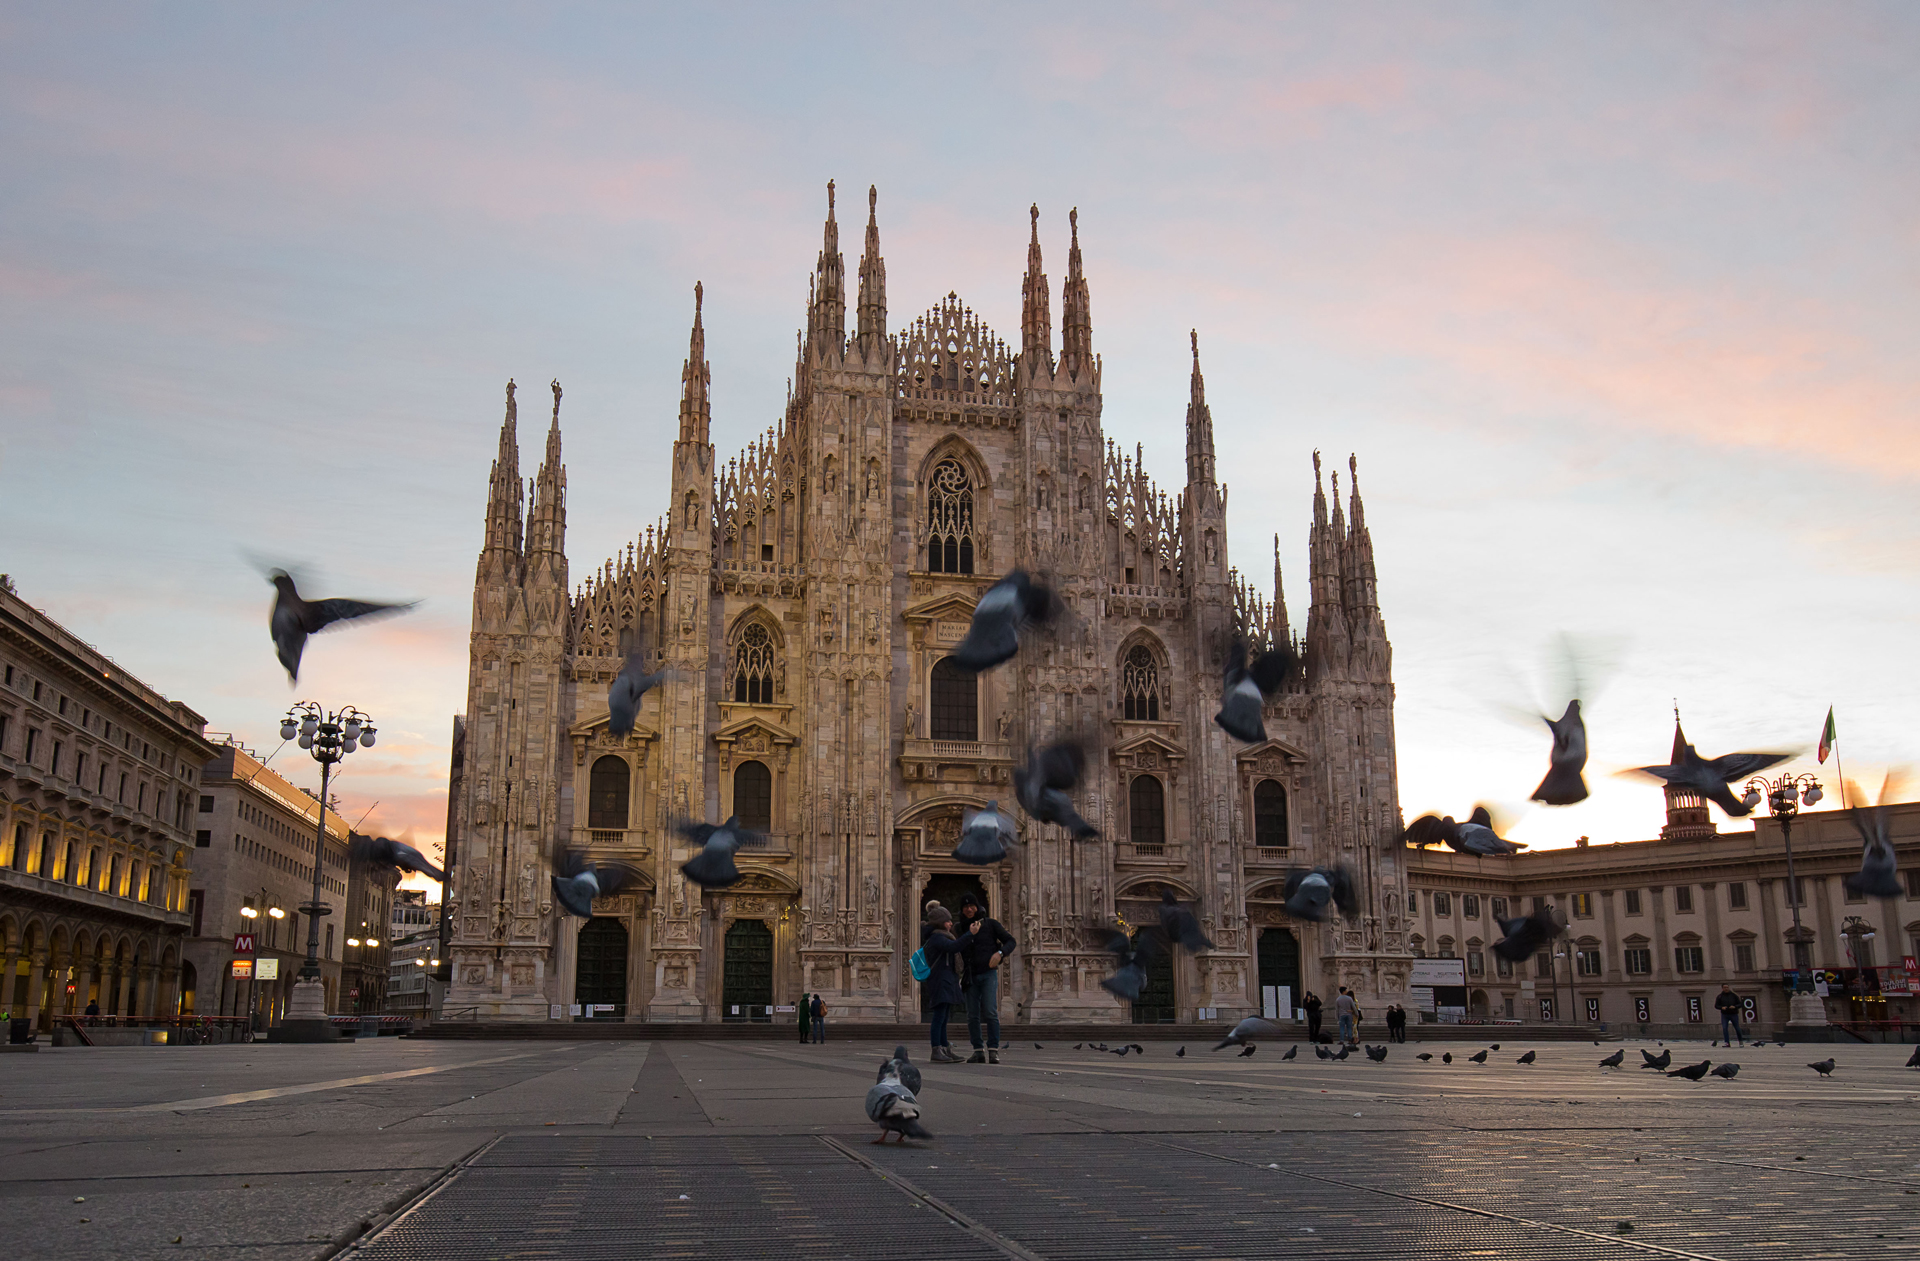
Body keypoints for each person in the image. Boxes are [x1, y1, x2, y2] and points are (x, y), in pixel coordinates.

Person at [955, 892, 1018, 1064]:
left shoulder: (990, 924)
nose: (969, 909)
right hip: (970, 975)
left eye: (972, 906)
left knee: (990, 1011)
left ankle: (993, 1049)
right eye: (965, 907)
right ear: (962, 909)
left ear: (977, 906)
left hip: (988, 974)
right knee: (972, 1015)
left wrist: (1000, 953)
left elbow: (1011, 941)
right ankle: (978, 1051)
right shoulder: (959, 927)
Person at [920, 905, 965, 1062]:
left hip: (946, 979)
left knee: (944, 1016)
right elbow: (954, 947)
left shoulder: (943, 936)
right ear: (940, 922)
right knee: (939, 1017)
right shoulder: (937, 938)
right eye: (947, 921)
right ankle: (936, 1050)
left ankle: (945, 1048)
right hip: (940, 980)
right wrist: (970, 935)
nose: (951, 923)